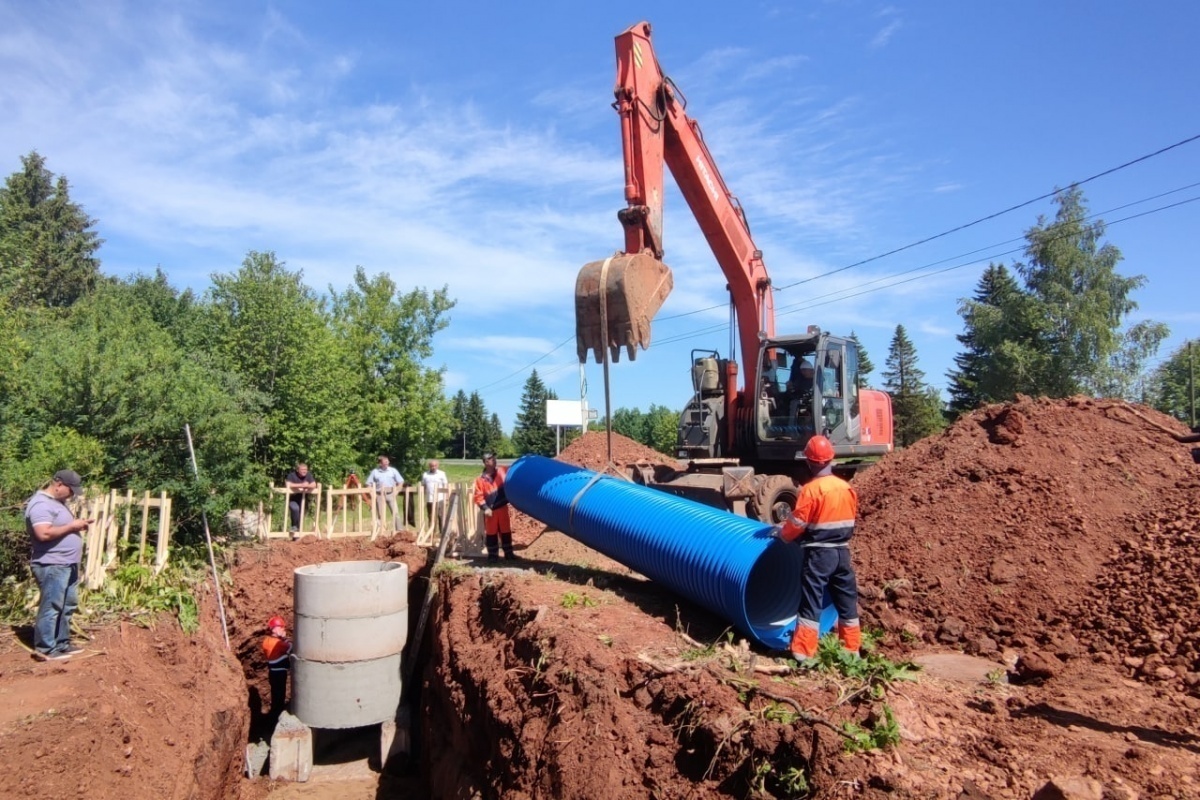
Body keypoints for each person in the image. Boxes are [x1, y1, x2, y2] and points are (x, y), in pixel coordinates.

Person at [773, 435, 861, 660]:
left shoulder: (811, 490)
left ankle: (803, 653)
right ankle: (851, 651)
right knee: (847, 601)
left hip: (820, 554)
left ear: (810, 462)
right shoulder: (846, 488)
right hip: (843, 551)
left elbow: (798, 524)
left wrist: (782, 534)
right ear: (831, 459)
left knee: (811, 601)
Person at [25, 469, 92, 661]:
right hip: (52, 564)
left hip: (66, 563)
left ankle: (62, 643)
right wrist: (72, 526)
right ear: (59, 485)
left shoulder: (57, 503)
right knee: (52, 605)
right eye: (71, 490)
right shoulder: (40, 504)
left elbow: (58, 528)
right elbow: (43, 534)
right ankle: (45, 648)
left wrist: (78, 525)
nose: (72, 495)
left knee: (67, 604)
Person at [473, 452, 517, 561]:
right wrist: (485, 508)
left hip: (502, 508)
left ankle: (509, 553)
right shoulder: (481, 480)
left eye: (494, 458)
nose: (494, 460)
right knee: (491, 533)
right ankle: (493, 556)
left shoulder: (502, 471)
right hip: (490, 511)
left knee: (505, 531)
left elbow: (514, 471)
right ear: (486, 462)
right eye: (491, 459)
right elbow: (478, 496)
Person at [262, 614, 292, 719]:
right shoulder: (278, 644)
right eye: (282, 627)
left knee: (275, 695)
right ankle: (278, 716)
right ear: (275, 629)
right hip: (280, 674)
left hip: (272, 673)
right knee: (280, 696)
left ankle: (274, 716)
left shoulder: (266, 641)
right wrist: (284, 638)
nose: (284, 629)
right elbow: (291, 648)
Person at [366, 455, 404, 529]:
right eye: (385, 462)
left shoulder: (393, 470)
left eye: (388, 461)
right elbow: (368, 484)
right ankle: (381, 531)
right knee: (381, 514)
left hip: (391, 494)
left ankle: (399, 530)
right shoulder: (375, 472)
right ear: (380, 463)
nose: (387, 463)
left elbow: (401, 482)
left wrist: (396, 492)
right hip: (379, 495)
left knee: (395, 513)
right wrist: (373, 494)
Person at [285, 462, 318, 535]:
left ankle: (296, 536)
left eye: (306, 469)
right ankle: (294, 526)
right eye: (302, 469)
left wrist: (307, 486)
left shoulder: (308, 475)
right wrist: (302, 485)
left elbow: (314, 484)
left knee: (300, 516)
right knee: (295, 509)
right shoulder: (292, 475)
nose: (304, 471)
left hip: (303, 500)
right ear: (298, 470)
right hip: (293, 499)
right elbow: (288, 484)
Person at [420, 459, 449, 527]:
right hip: (429, 498)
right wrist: (423, 497)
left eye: (435, 466)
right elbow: (423, 486)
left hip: (440, 498)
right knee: (431, 516)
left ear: (437, 466)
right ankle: (432, 533)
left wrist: (447, 497)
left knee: (441, 515)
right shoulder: (425, 474)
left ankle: (442, 532)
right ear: (429, 466)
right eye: (432, 466)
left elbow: (446, 486)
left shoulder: (442, 474)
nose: (433, 467)